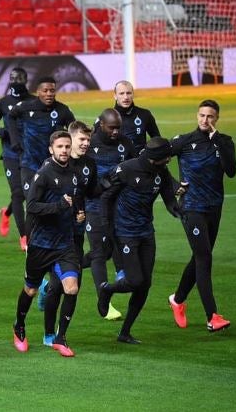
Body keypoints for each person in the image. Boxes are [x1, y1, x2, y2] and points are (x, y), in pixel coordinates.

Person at [97, 137, 180, 343]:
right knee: (135, 280)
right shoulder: (127, 169)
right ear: (155, 159)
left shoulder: (161, 171)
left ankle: (125, 333)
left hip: (146, 232)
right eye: (166, 157)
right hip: (125, 232)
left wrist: (182, 212)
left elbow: (170, 200)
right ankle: (106, 289)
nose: (170, 159)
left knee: (145, 284)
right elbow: (105, 196)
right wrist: (106, 229)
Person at [12, 130, 85, 358]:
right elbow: (31, 206)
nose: (64, 150)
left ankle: (60, 337)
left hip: (64, 244)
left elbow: (74, 201)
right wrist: (59, 208)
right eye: (60, 147)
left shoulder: (74, 174)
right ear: (51, 149)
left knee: (71, 287)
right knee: (31, 290)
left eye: (67, 146)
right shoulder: (43, 175)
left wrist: (77, 215)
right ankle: (19, 326)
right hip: (41, 244)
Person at [167, 100, 236, 332]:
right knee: (204, 258)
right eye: (202, 115)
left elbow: (232, 171)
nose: (205, 120)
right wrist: (174, 184)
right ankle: (212, 316)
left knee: (199, 257)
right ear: (197, 116)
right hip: (191, 208)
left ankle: (177, 299)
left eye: (210, 116)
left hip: (214, 209)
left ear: (217, 118)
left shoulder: (224, 142)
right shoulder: (185, 142)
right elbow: (153, 157)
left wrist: (218, 141)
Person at [42, 121, 97, 346]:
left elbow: (90, 192)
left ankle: (61, 335)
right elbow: (41, 200)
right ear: (70, 140)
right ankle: (47, 332)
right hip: (53, 236)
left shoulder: (89, 165)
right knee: (57, 286)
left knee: (74, 287)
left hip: (75, 233)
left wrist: (115, 182)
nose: (85, 144)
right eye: (81, 140)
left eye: (88, 140)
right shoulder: (52, 166)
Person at [7, 76, 75, 241]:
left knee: (52, 203)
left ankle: (54, 238)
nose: (49, 94)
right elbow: (10, 116)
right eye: (45, 90)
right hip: (29, 165)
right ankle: (28, 240)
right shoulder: (25, 107)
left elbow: (74, 128)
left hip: (52, 168)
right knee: (32, 203)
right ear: (38, 92)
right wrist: (15, 139)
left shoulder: (62, 110)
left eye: (52, 90)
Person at [82, 108, 135, 320]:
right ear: (101, 125)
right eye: (111, 128)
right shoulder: (90, 144)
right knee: (98, 252)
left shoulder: (125, 143)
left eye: (118, 128)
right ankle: (105, 303)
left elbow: (137, 165)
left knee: (105, 251)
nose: (115, 132)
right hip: (93, 204)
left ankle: (59, 269)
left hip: (118, 205)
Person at [0, 67, 33, 250]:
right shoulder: (3, 102)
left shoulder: (33, 101)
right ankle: (24, 237)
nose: (16, 81)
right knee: (17, 192)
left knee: (25, 193)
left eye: (20, 78)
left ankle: (6, 213)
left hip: (30, 154)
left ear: (26, 80)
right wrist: (1, 133)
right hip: (10, 154)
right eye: (13, 78)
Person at [113, 80, 161, 154]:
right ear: (115, 96)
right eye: (121, 93)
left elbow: (157, 139)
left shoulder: (145, 114)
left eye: (128, 93)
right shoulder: (106, 118)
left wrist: (149, 151)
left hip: (140, 162)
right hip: (117, 163)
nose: (126, 97)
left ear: (133, 94)